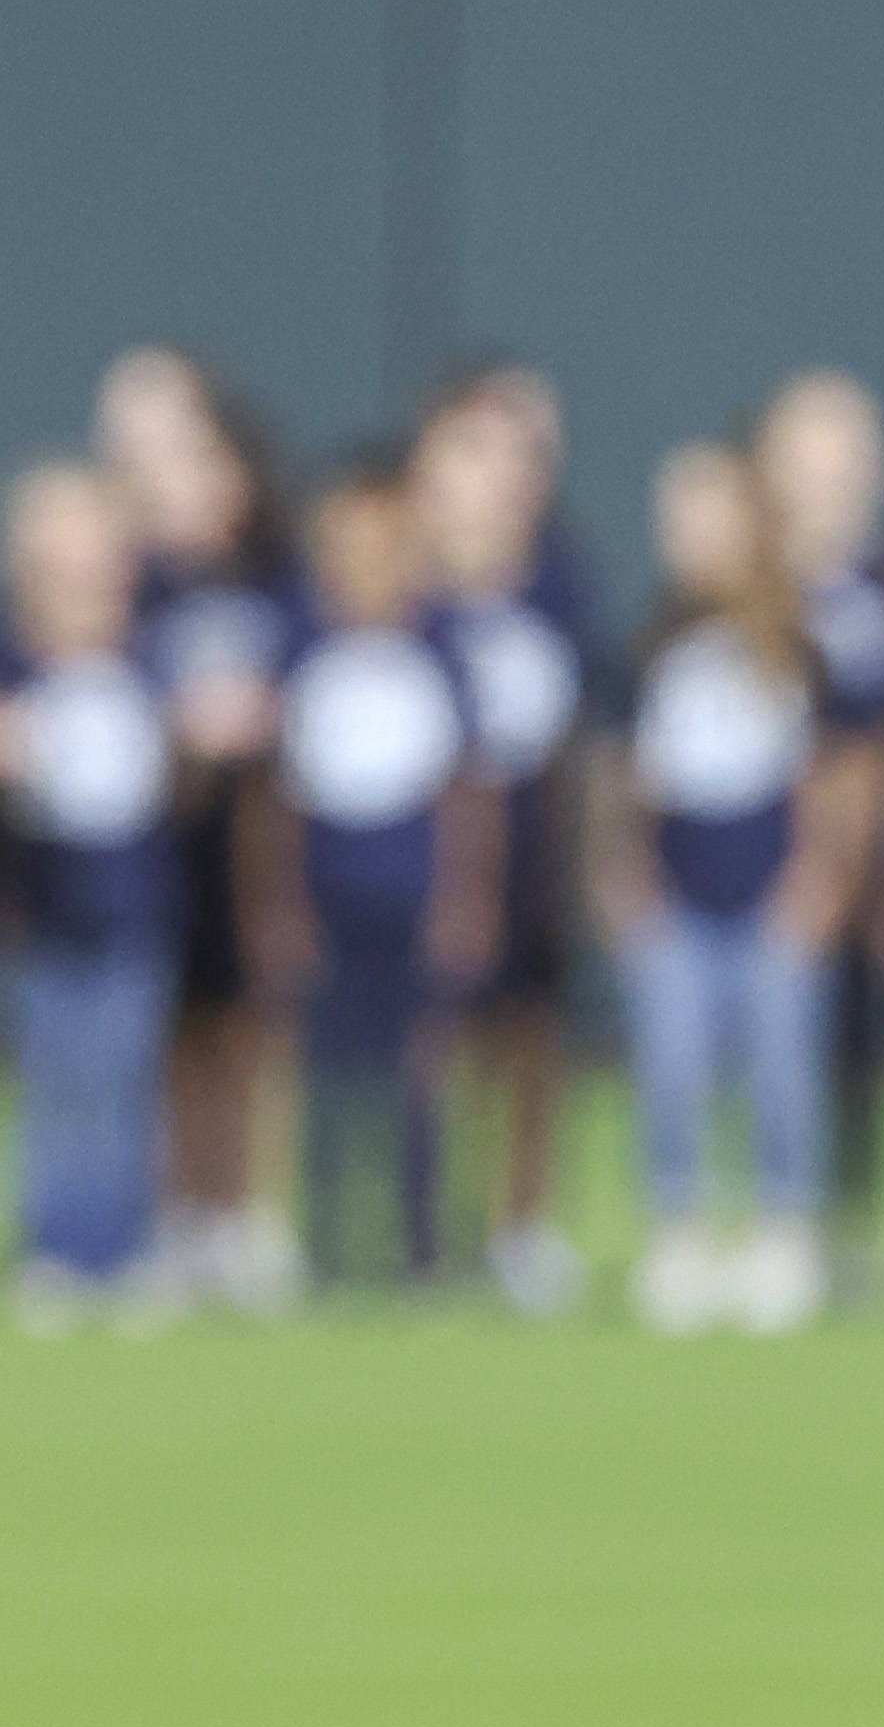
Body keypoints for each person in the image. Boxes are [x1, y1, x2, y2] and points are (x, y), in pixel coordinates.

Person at [607, 440, 843, 1338]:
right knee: (672, 1064)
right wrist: (625, 884)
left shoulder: (795, 642)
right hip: (677, 895)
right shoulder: (647, 641)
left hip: (772, 890)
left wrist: (818, 878)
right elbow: (623, 779)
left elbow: (829, 778)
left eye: (711, 512)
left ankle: (786, 1228)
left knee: (784, 1065)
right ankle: (683, 1228)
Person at [99, 346, 301, 1316]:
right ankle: (172, 1215)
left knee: (249, 1029)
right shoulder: (135, 586)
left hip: (256, 839)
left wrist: (263, 710)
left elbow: (318, 680)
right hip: (154, 838)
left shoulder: (274, 579)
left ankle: (243, 1212)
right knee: (165, 1036)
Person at [268, 456, 499, 1291]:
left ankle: (423, 1239)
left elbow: (468, 791)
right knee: (329, 1075)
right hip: (331, 900)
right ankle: (328, 1239)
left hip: (414, 898)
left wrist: (465, 896)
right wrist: (282, 905)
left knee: (422, 1076)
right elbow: (278, 797)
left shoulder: (441, 645)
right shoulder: (299, 640)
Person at [418, 376, 594, 1317]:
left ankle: (523, 1224)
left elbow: (577, 726)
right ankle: (428, 1217)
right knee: (433, 1035)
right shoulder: (410, 586)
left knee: (530, 1037)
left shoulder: (559, 577)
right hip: (426, 849)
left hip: (532, 839)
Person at [6, 460, 179, 1325]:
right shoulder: (13, 661)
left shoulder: (149, 652)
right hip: (43, 917)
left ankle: (127, 1242)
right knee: (57, 1082)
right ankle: (59, 1243)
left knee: (125, 1078)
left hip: (132, 912)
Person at [754, 368, 884, 1267]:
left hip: (876, 854)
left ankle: (847, 1223)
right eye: (809, 451)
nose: (830, 471)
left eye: (846, 449)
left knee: (863, 1043)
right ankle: (769, 1219)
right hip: (764, 852)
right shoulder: (752, 579)